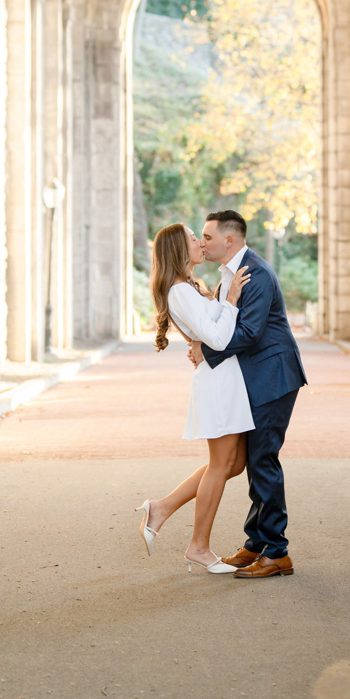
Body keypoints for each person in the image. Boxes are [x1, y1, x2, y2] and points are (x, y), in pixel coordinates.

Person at [183, 210, 307, 579]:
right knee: (255, 460)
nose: (203, 243)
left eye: (207, 236)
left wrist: (207, 352)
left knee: (263, 461)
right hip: (254, 380)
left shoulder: (255, 273)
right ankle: (256, 543)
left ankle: (277, 552)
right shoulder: (229, 274)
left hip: (273, 377)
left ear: (229, 240)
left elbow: (251, 333)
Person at [131, 222, 254, 573]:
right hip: (217, 383)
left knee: (234, 463)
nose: (201, 242)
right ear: (178, 250)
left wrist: (216, 307)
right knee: (222, 464)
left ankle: (162, 507)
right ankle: (198, 547)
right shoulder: (179, 292)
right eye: (193, 239)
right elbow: (217, 338)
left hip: (224, 379)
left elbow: (207, 334)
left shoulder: (189, 287)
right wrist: (230, 301)